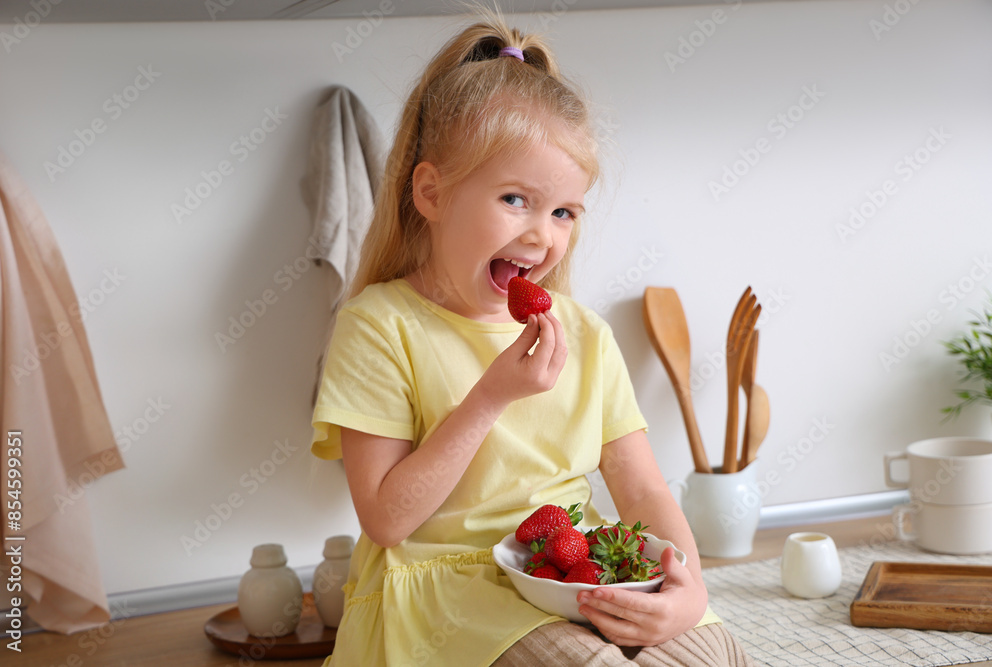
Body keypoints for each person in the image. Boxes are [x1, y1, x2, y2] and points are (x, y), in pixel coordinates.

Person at [311, 9, 754, 667]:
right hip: (445, 586)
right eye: (515, 199)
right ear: (431, 193)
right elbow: (386, 518)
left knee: (713, 656)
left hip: (570, 565)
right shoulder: (380, 325)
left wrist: (688, 584)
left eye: (563, 212)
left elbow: (642, 490)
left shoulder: (584, 333)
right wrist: (491, 396)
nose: (541, 234)